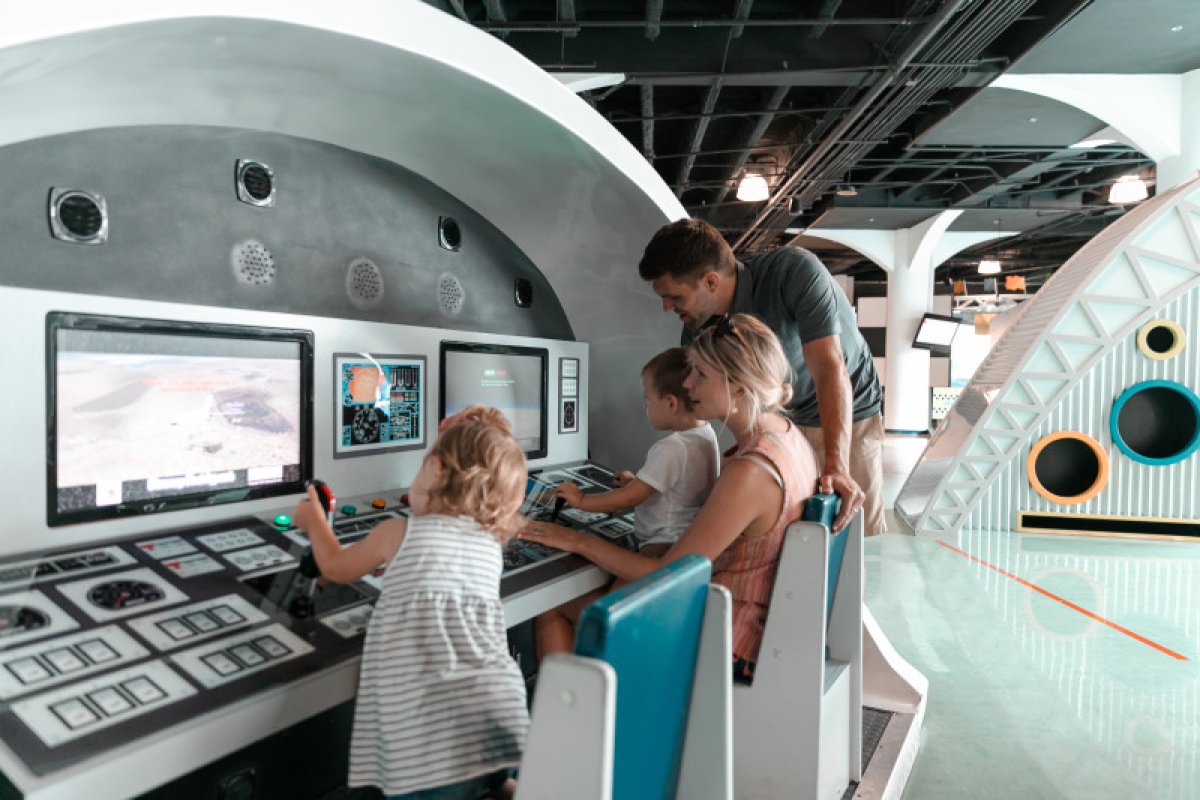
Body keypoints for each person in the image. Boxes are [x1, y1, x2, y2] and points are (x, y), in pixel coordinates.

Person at [526, 314, 819, 681]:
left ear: (739, 387)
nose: (687, 383)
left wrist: (574, 539)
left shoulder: (751, 472)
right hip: (747, 616)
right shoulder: (788, 436)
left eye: (700, 375)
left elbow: (663, 574)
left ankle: (577, 734)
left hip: (727, 636)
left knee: (551, 609)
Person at [291, 406, 528, 800]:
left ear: (435, 470)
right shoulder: (490, 542)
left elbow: (333, 566)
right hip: (496, 709)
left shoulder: (397, 530)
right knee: (489, 783)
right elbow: (441, 575)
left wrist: (313, 520)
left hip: (431, 733)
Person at [638, 217, 884, 535]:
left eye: (675, 297)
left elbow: (828, 368)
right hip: (783, 421)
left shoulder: (793, 272)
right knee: (794, 537)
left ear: (710, 282)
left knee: (849, 530)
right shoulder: (699, 329)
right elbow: (707, 407)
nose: (667, 308)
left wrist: (836, 464)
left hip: (847, 409)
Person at [553, 347, 719, 557]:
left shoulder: (671, 447)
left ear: (670, 402)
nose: (645, 407)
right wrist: (637, 482)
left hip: (661, 545)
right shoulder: (706, 435)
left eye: (647, 399)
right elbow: (679, 489)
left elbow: (629, 498)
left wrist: (581, 501)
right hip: (686, 541)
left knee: (620, 590)